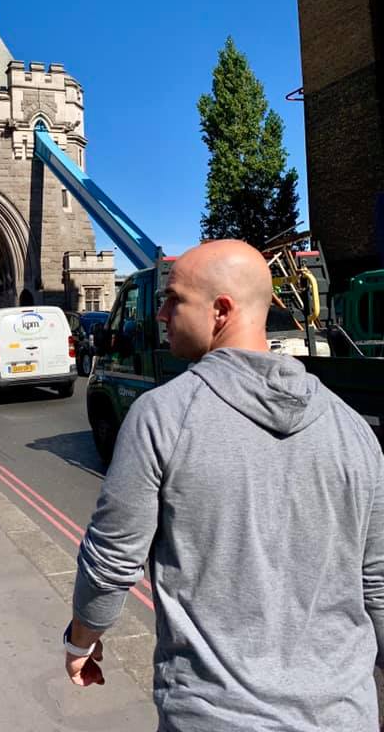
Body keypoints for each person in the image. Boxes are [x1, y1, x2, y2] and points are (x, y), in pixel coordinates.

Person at [66, 239, 384, 732]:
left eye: (174, 300)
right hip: (342, 715)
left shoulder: (163, 417)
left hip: (215, 715)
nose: (161, 314)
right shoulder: (352, 429)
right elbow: (377, 581)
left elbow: (112, 558)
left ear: (221, 311)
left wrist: (81, 639)